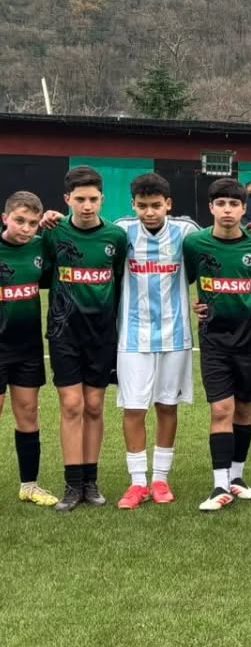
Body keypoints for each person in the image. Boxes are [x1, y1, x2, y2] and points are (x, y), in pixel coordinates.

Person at [111, 173, 200, 509]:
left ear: (168, 204)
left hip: (175, 336)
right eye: (142, 206)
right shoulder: (121, 230)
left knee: (166, 406)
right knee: (134, 408)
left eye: (156, 205)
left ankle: (160, 479)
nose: (149, 212)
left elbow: (213, 251)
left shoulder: (186, 231)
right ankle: (137, 483)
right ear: (133, 205)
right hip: (133, 336)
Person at [43, 166, 128, 512]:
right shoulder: (53, 233)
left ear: (102, 199)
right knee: (71, 405)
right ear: (67, 199)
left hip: (102, 333)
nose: (87, 205)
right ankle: (72, 484)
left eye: (93, 198)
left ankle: (90, 482)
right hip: (63, 332)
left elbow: (120, 280)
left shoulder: (116, 237)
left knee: (94, 406)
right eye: (80, 199)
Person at [183, 178, 251, 510]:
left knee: (244, 409)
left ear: (244, 209)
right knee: (221, 409)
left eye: (234, 204)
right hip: (214, 339)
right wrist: (194, 305)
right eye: (221, 204)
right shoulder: (195, 244)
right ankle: (219, 485)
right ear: (211, 208)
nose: (227, 210)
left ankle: (237, 478)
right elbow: (181, 281)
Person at [0, 190, 56, 505]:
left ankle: (30, 486)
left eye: (33, 223)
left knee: (28, 413)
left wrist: (56, 220)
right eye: (19, 220)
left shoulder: (39, 247)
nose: (25, 228)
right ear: (5, 218)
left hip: (27, 348)